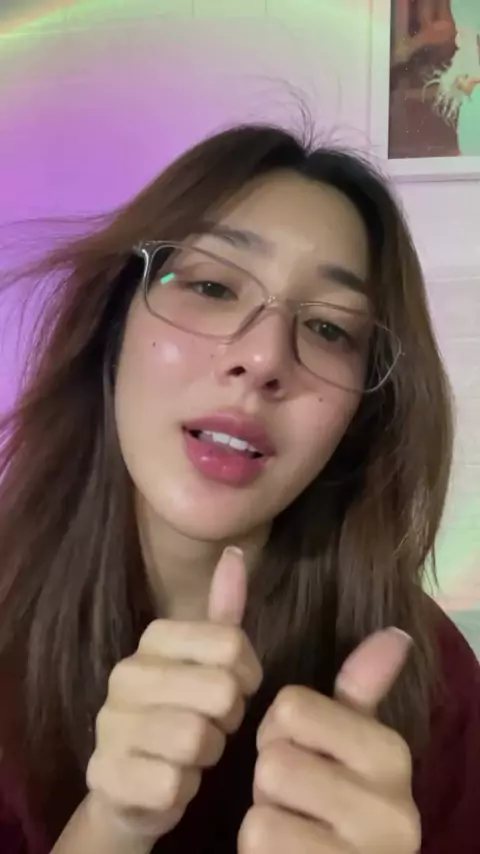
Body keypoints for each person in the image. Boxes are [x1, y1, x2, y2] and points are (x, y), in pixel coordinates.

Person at [0, 123, 478, 854]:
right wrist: (110, 826)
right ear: (114, 322)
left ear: (359, 416)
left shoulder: (434, 685)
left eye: (329, 329)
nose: (262, 358)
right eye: (213, 286)